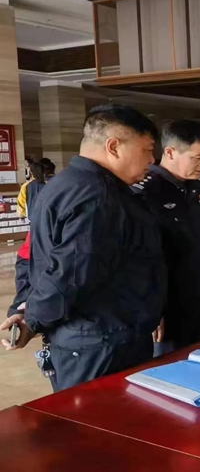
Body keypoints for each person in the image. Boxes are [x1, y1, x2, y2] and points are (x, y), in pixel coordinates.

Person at [0, 104, 165, 392]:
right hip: (101, 341)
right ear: (113, 146)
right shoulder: (100, 198)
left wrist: (27, 309)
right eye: (147, 150)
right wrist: (34, 318)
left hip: (90, 337)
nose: (151, 160)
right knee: (100, 416)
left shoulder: (65, 184)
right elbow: (71, 273)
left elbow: (37, 258)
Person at [132, 120, 200, 356]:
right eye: (197, 157)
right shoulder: (146, 192)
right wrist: (152, 309)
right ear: (170, 152)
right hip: (169, 308)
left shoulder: (194, 187)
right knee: (171, 367)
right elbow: (139, 259)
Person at [8, 162, 48, 317]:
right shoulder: (49, 187)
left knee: (24, 296)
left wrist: (22, 214)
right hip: (36, 252)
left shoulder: (27, 186)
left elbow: (21, 204)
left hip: (29, 248)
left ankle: (18, 315)